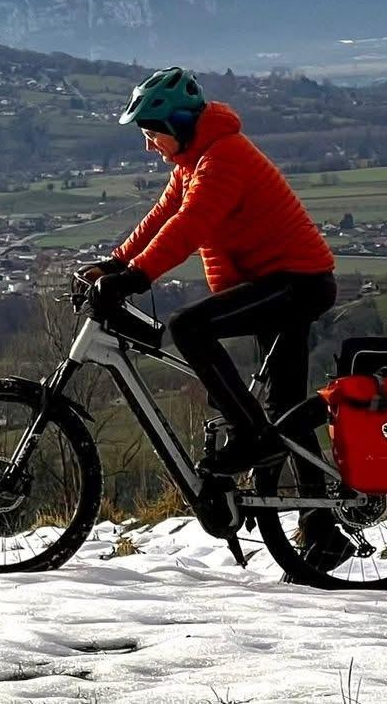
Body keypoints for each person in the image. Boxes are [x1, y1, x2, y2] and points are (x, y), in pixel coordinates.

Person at [82, 67, 337, 476]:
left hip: (296, 283)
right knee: (285, 410)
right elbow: (163, 215)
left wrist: (134, 278)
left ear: (179, 124)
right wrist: (117, 263)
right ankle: (315, 513)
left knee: (188, 327)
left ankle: (249, 434)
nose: (148, 144)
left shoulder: (223, 158)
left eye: (152, 133)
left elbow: (189, 225)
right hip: (281, 282)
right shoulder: (193, 160)